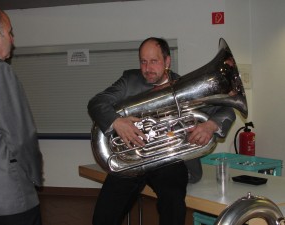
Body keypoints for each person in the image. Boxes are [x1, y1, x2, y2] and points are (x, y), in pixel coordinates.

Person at [88, 37, 236, 225]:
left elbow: (227, 109)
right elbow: (96, 103)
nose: (147, 68)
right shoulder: (129, 81)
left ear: (167, 61)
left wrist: (210, 125)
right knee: (104, 215)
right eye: (143, 61)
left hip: (169, 160)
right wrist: (116, 121)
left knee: (173, 204)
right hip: (132, 159)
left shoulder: (186, 86)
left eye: (154, 61)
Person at [0, 6, 43, 225]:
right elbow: (21, 136)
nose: (13, 39)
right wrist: (36, 176)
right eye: (10, 32)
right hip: (6, 197)